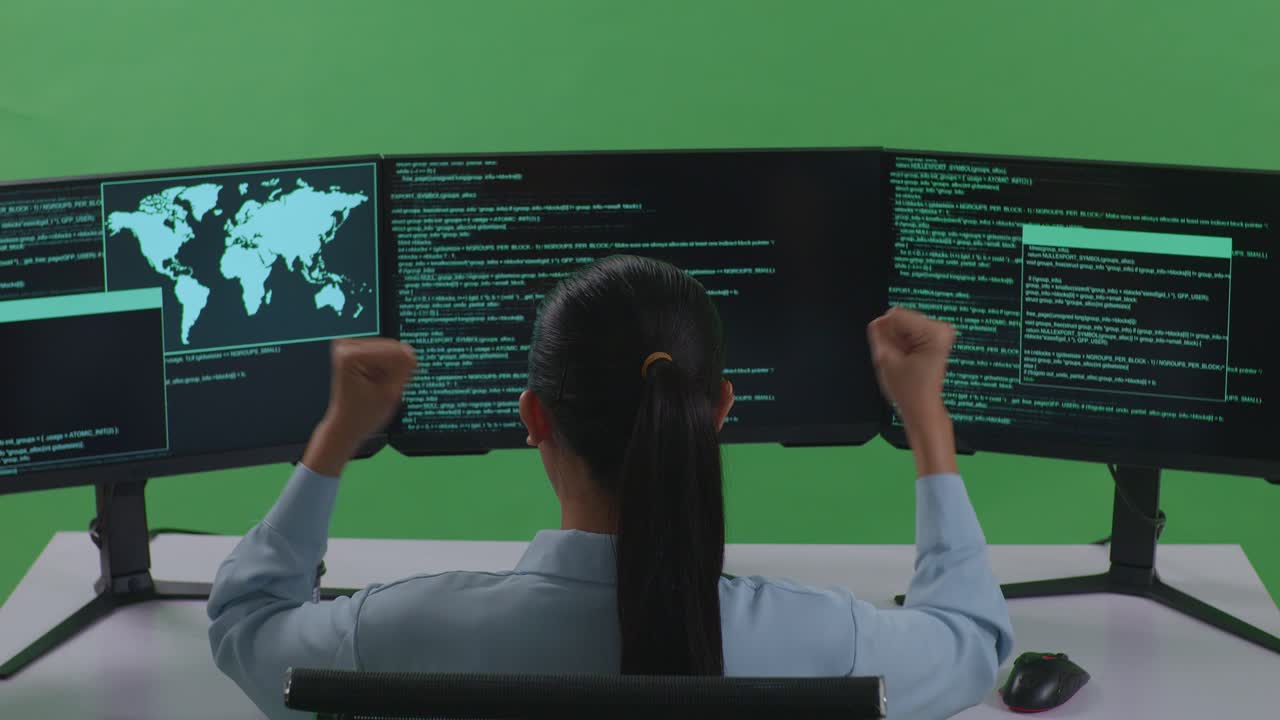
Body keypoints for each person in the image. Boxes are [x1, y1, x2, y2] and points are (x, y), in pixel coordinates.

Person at [208, 255, 1013, 720]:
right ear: (720, 409)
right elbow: (973, 647)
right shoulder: (821, 641)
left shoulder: (393, 633)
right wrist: (925, 418)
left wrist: (338, 436)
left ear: (534, 417)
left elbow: (246, 627)